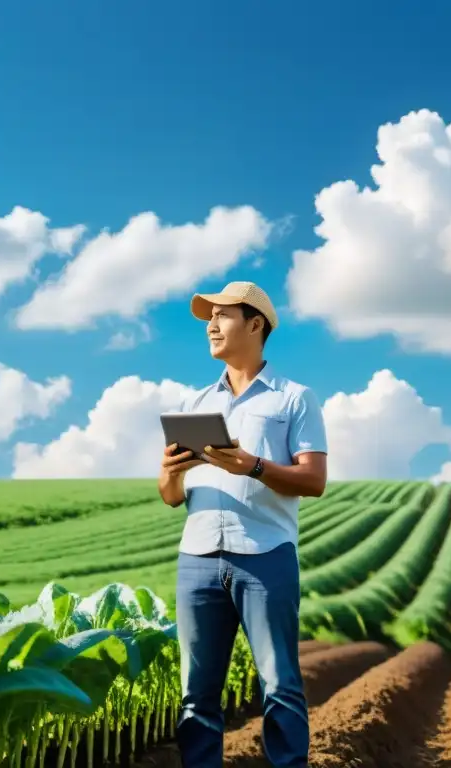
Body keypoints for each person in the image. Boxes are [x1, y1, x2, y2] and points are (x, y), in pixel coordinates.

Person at [157, 280, 328, 767]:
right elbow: (172, 498)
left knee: (280, 687)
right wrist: (169, 474)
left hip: (266, 555)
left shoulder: (294, 398)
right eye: (208, 317)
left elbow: (313, 479)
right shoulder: (193, 404)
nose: (211, 325)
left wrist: (251, 466)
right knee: (197, 695)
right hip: (198, 559)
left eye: (222, 315)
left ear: (255, 324)